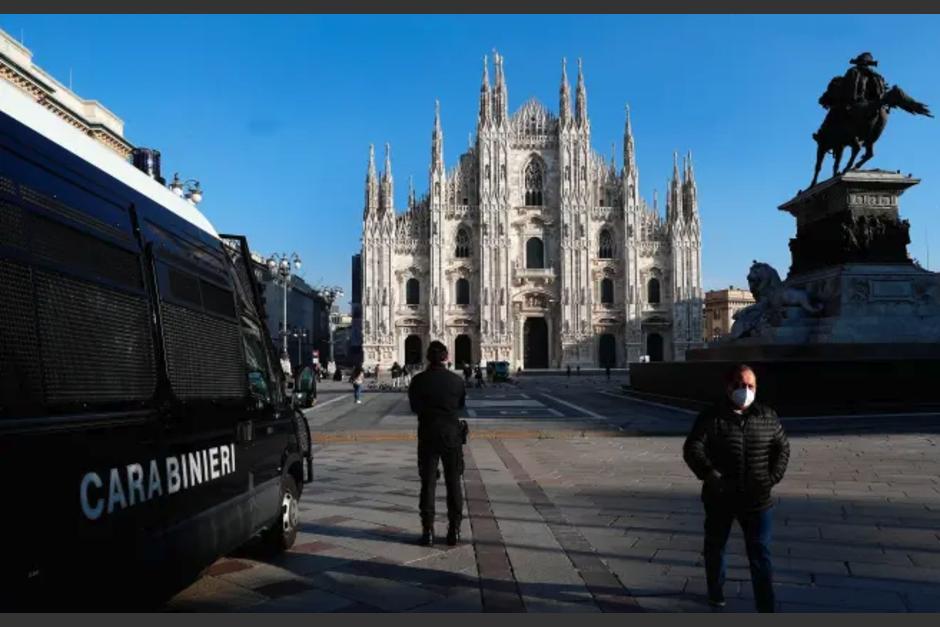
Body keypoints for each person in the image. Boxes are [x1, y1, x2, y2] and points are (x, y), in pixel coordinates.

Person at [683, 364, 790, 612]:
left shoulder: (767, 416)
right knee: (715, 548)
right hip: (720, 496)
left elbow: (782, 448)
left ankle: (766, 605)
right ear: (728, 387)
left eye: (750, 386)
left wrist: (771, 478)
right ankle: (716, 592)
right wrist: (710, 475)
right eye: (740, 385)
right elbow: (693, 448)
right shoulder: (711, 416)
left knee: (760, 553)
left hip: (757, 499)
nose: (745, 390)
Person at [408, 341, 466, 547]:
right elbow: (460, 405)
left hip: (427, 435)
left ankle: (428, 532)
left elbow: (414, 407)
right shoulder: (456, 381)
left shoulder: (418, 381)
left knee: (428, 483)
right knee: (453, 483)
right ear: (446, 357)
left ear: (427, 358)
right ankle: (454, 531)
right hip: (451, 436)